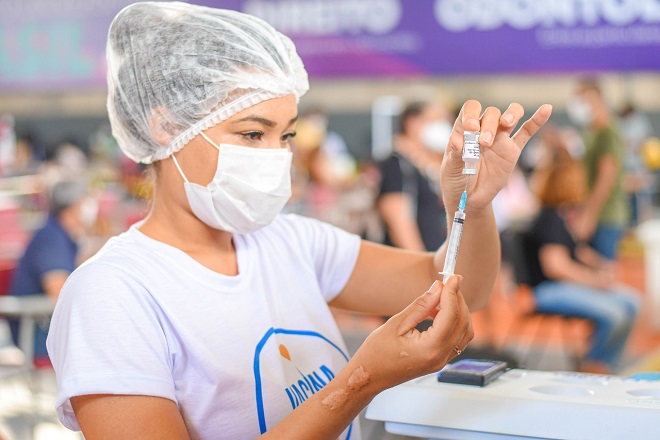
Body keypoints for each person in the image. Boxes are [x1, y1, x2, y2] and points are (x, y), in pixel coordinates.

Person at [45, 3, 552, 439]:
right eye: (252, 134)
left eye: (285, 135)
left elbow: (456, 286)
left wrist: (471, 207)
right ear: (165, 125)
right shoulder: (113, 294)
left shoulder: (290, 242)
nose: (274, 155)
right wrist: (359, 382)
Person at [525, 150, 640, 374]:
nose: (582, 185)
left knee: (632, 302)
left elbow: (578, 251)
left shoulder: (563, 216)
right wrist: (594, 281)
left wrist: (602, 266)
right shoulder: (549, 218)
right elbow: (556, 266)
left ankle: (605, 363)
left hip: (564, 286)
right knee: (615, 314)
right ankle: (593, 367)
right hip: (548, 290)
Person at [7, 178, 95, 366]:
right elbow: (58, 289)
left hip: (47, 326)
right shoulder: (51, 237)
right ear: (73, 206)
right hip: (37, 330)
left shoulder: (63, 235)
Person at [377, 101, 454, 252]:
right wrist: (420, 260)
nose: (441, 127)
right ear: (411, 122)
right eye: (435, 120)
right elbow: (396, 218)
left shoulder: (422, 164)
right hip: (415, 260)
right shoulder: (398, 164)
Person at [566, 79, 628, 260]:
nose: (579, 105)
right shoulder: (591, 131)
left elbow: (606, 178)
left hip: (605, 216)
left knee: (603, 270)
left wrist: (589, 217)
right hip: (592, 213)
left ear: (597, 99)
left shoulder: (607, 132)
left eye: (582, 99)